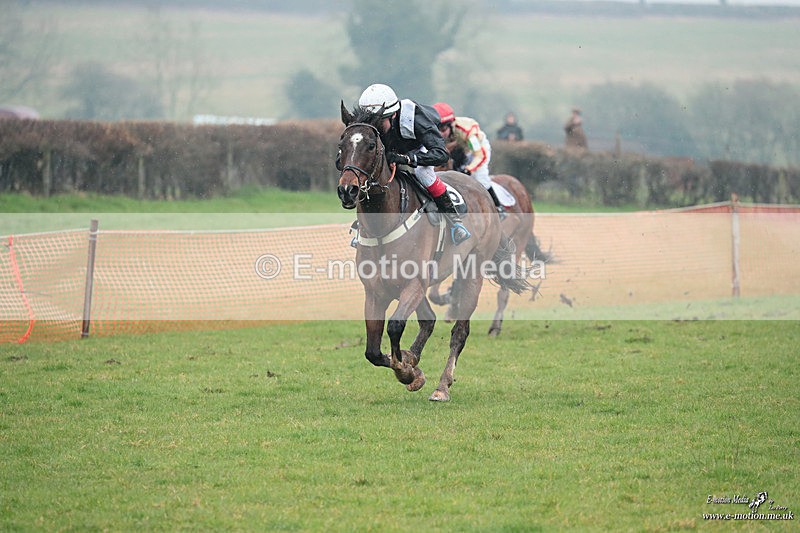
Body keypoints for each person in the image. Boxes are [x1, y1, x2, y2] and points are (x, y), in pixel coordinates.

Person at [351, 83, 470, 244]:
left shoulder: (415, 119)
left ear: (393, 116)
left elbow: (441, 154)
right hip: (393, 148)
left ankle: (455, 222)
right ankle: (364, 226)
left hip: (418, 146)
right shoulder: (374, 125)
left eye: (378, 122)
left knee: (423, 173)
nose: (375, 127)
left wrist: (408, 158)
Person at [432, 102, 506, 218]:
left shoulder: (466, 131)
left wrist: (469, 169)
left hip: (476, 150)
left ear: (451, 125)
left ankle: (498, 207)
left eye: (443, 128)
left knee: (479, 177)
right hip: (459, 148)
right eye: (437, 129)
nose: (440, 134)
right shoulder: (436, 132)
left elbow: (479, 156)